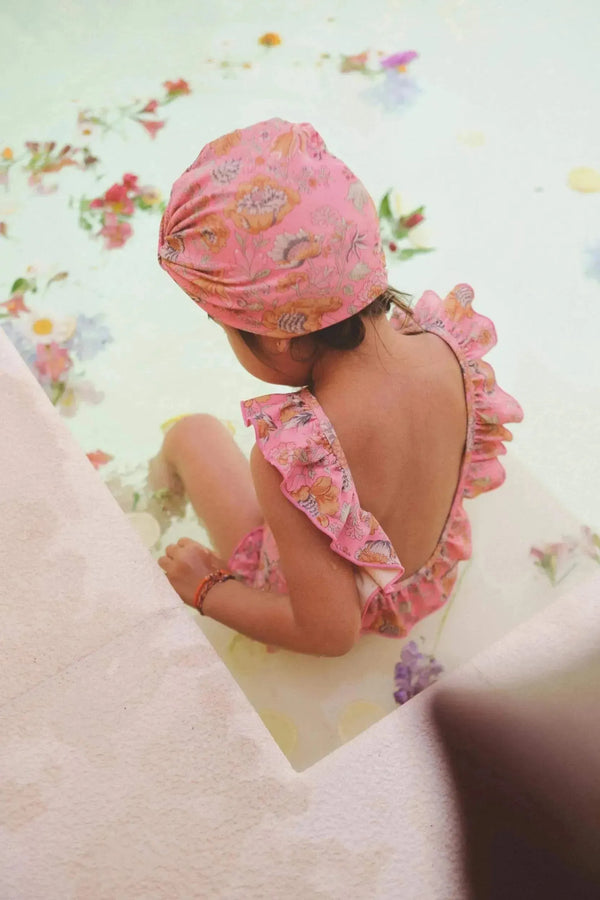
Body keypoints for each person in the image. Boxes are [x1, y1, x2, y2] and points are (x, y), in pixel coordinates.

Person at [153, 117, 523, 657]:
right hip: (414, 582)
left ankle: (156, 498)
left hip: (318, 604)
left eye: (224, 326)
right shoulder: (451, 349)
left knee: (193, 433)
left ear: (276, 337)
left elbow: (329, 633)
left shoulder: (299, 455)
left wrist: (207, 589)